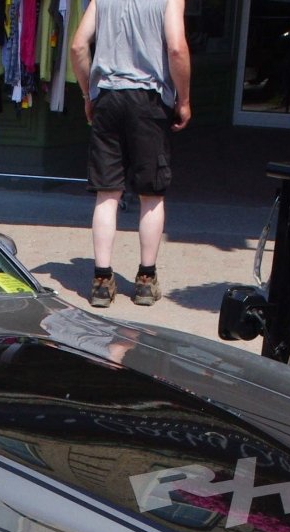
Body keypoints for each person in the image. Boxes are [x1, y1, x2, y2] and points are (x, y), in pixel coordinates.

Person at [70, 0, 191, 308]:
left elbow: (77, 47)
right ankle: (146, 280)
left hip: (108, 98)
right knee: (151, 195)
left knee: (107, 193)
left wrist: (88, 94)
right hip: (149, 101)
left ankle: (101, 280)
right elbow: (176, 48)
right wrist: (184, 99)